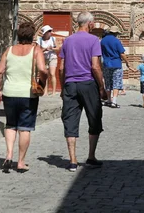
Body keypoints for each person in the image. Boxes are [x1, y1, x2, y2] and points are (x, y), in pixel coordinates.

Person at [0, 22, 48, 173]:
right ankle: (21, 162)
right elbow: (43, 70)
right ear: (32, 36)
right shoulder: (36, 50)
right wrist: (42, 82)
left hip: (9, 93)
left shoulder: (9, 50)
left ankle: (9, 155)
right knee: (24, 128)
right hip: (28, 94)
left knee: (11, 125)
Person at [59, 12, 107, 172]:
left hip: (70, 84)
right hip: (88, 84)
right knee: (94, 118)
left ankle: (72, 160)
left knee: (70, 120)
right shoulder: (94, 40)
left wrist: (62, 86)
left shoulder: (67, 41)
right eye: (93, 23)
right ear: (89, 24)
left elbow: (61, 67)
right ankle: (91, 156)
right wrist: (101, 87)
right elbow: (95, 66)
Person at [100, 26, 133, 109]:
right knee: (116, 83)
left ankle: (108, 100)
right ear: (115, 33)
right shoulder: (116, 41)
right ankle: (114, 102)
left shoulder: (102, 41)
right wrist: (127, 63)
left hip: (106, 64)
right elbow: (122, 53)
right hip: (116, 64)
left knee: (107, 82)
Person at [37, 25, 59, 96]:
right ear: (45, 32)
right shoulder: (39, 40)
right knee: (45, 75)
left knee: (52, 74)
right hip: (43, 58)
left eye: (50, 31)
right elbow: (37, 50)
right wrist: (45, 49)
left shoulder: (53, 39)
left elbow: (58, 48)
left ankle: (53, 92)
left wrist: (52, 48)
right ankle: (45, 91)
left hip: (52, 57)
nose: (50, 32)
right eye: (49, 31)